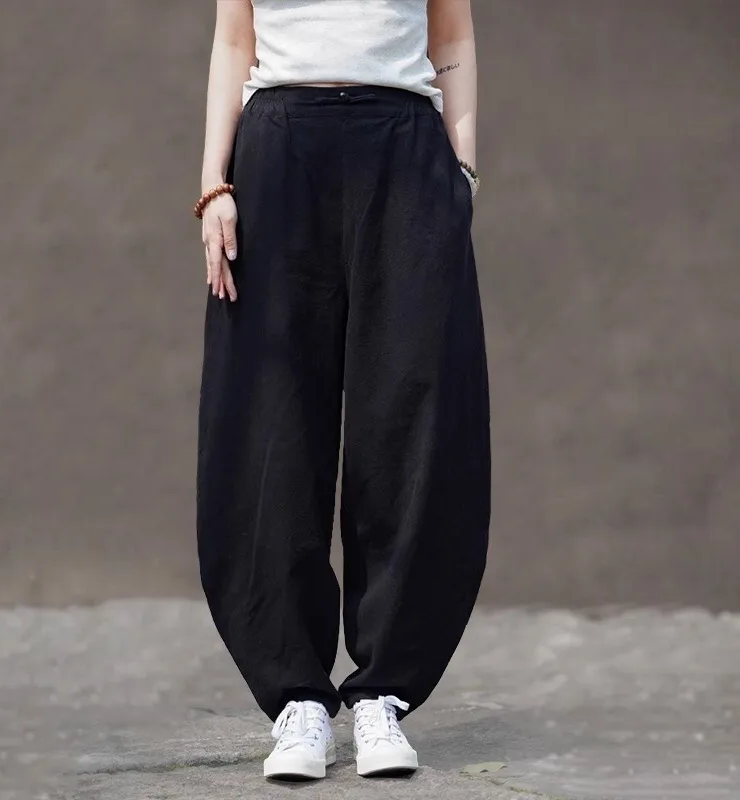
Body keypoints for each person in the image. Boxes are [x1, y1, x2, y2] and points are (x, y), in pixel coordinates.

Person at [196, 0, 490, 781]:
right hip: (278, 149)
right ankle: (296, 699)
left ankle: (383, 694)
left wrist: (462, 173)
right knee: (271, 421)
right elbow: (233, 43)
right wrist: (213, 185)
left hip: (405, 151)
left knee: (409, 416)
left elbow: (452, 35)